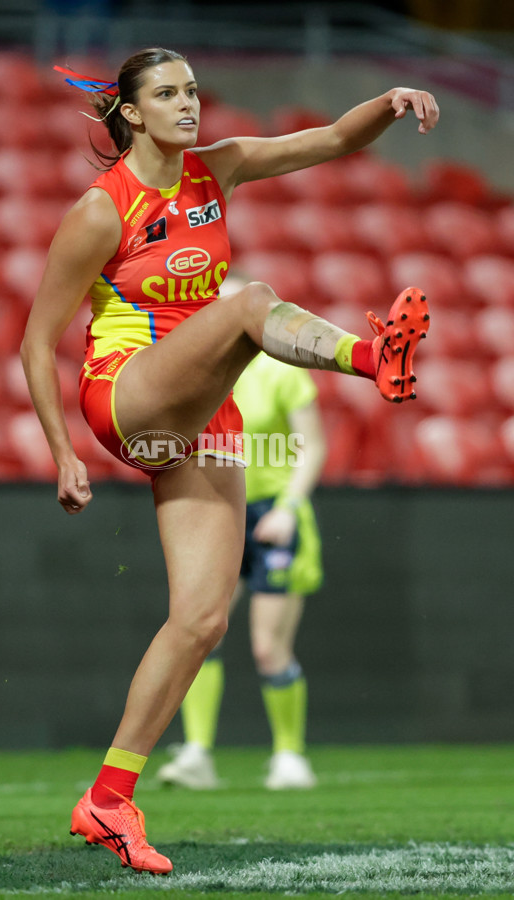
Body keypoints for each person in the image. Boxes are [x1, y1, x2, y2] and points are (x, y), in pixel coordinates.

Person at [20, 46, 437, 874]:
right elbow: (35, 342)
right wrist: (62, 453)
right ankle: (371, 359)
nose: (189, 104)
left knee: (203, 619)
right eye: (168, 94)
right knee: (249, 302)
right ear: (132, 113)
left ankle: (108, 800)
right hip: (128, 391)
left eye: (194, 90)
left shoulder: (221, 168)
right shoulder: (103, 209)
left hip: (199, 408)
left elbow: (328, 142)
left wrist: (385, 101)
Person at [157, 275, 326, 791]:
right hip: (220, 510)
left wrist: (289, 508)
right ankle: (198, 753)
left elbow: (312, 445)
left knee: (266, 646)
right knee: (196, 631)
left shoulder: (281, 371)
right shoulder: (202, 374)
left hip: (273, 512)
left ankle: (290, 756)